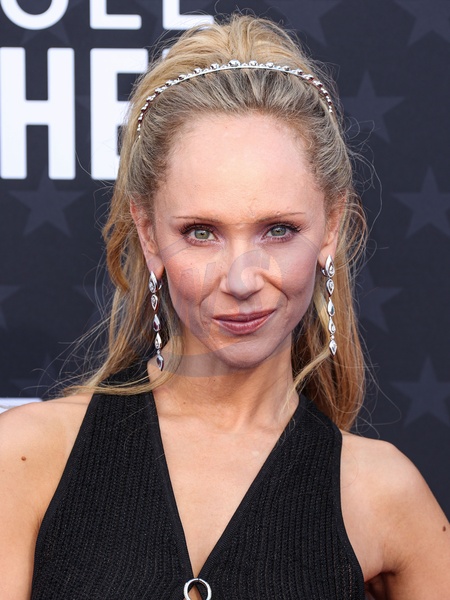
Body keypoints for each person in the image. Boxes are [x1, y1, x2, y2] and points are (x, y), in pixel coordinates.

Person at [0, 14, 449, 600]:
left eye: (279, 230)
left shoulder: (382, 494)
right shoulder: (27, 457)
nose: (241, 280)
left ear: (332, 225)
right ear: (148, 234)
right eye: (201, 232)